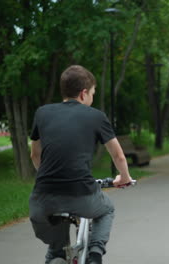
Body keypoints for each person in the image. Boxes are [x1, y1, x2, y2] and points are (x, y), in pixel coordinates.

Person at [29, 65, 133, 264]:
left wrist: (49, 178)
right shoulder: (95, 116)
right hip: (80, 194)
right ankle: (95, 254)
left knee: (56, 246)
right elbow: (118, 155)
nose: (92, 98)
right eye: (93, 93)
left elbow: (35, 155)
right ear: (84, 93)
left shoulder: (42, 113)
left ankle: (57, 255)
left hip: (40, 202)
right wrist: (124, 178)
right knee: (107, 209)